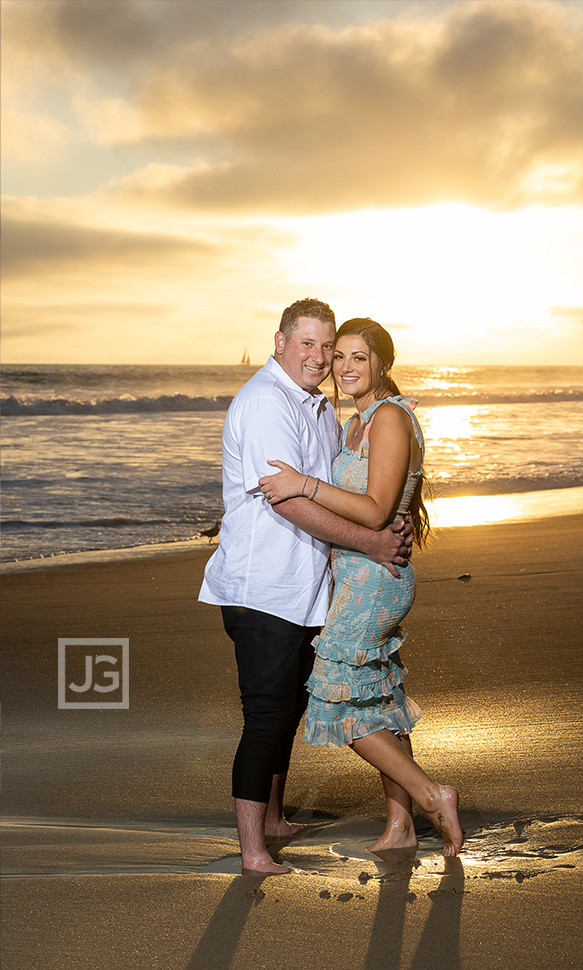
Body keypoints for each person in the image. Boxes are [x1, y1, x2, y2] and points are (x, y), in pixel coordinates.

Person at [198, 299, 413, 875]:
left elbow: (349, 485)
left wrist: (395, 511)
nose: (320, 358)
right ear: (280, 342)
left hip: (307, 586)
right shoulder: (269, 401)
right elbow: (289, 498)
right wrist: (370, 540)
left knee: (289, 708)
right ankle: (252, 849)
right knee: (266, 714)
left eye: (330, 348)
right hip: (263, 587)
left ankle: (271, 819)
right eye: (310, 345)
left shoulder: (317, 405)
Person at [259, 318, 463, 857]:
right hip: (355, 576)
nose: (344, 367)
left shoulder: (390, 418)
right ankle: (399, 828)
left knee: (338, 702)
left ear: (383, 365)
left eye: (358, 358)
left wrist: (304, 484)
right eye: (339, 356)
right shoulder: (357, 423)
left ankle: (430, 795)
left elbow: (375, 511)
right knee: (379, 700)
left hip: (375, 581)